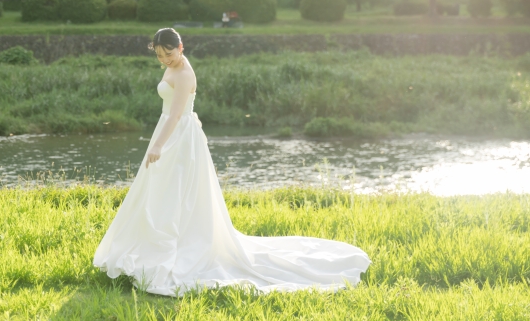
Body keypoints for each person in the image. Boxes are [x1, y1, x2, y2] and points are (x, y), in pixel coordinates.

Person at [93, 28, 370, 296]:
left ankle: (177, 247)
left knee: (177, 191)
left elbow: (177, 114)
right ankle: (149, 243)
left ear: (181, 48)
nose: (165, 60)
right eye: (159, 56)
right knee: (160, 191)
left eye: (169, 54)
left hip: (178, 137)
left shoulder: (185, 72)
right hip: (168, 131)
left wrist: (157, 145)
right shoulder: (174, 64)